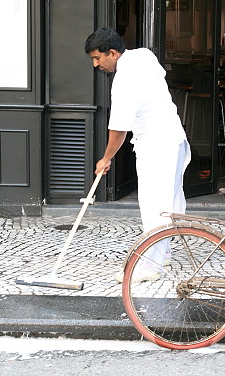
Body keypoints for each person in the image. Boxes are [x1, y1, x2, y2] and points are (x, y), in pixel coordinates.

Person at [85, 27, 191, 282]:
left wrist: (106, 158)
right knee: (167, 202)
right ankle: (162, 254)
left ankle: (151, 267)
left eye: (98, 58)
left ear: (112, 52)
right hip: (175, 139)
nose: (97, 64)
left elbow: (119, 127)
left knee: (155, 206)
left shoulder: (124, 79)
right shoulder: (144, 56)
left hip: (157, 144)